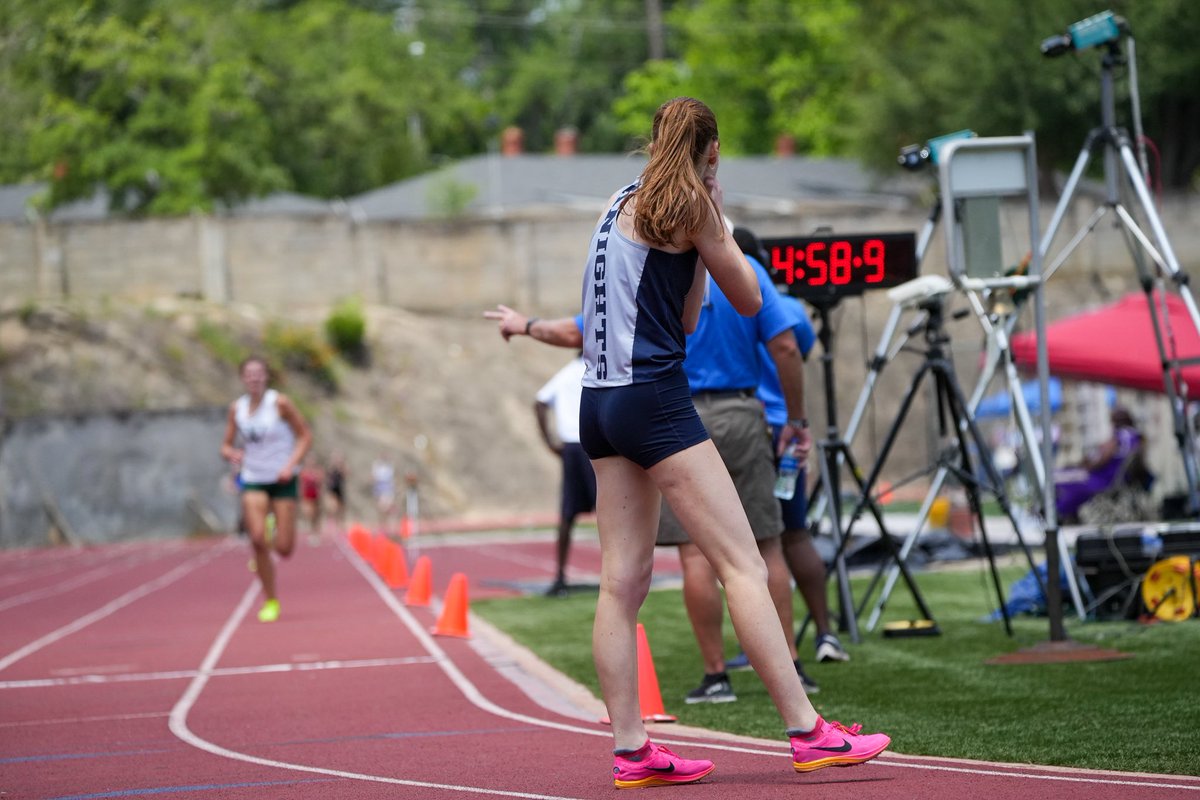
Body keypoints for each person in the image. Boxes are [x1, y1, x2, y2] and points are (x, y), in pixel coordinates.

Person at [576, 97, 889, 787]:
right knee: (743, 563)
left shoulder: (618, 199)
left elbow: (687, 316)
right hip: (653, 398)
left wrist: (700, 241)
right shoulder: (694, 207)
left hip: (597, 403)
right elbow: (748, 300)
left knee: (619, 582)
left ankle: (632, 749)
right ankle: (809, 732)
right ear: (711, 152)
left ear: (654, 142)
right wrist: (719, 209)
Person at [727, 226, 849, 667]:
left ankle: (765, 646)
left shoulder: (718, 298)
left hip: (750, 428)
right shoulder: (792, 308)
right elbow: (800, 350)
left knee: (754, 545)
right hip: (787, 432)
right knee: (795, 534)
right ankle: (825, 633)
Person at [221, 356, 312, 623]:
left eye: (259, 374)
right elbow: (225, 445)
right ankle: (271, 600)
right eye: (249, 374)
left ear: (266, 377)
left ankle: (274, 529)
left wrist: (290, 465)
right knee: (257, 539)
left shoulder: (280, 403)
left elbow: (305, 436)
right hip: (254, 478)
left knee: (284, 549)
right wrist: (231, 454)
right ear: (242, 378)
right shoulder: (236, 409)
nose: (254, 379)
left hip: (283, 479)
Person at [534, 354, 597, 597]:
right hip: (593, 445)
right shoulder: (595, 369)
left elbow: (539, 401)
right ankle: (614, 575)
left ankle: (560, 576)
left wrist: (549, 442)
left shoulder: (565, 373)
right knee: (609, 513)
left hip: (571, 447)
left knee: (567, 514)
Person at [1055, 406, 1152, 522]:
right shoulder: (1137, 437)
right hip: (1121, 480)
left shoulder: (1120, 436)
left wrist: (1085, 466)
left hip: (1104, 480)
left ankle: (1061, 513)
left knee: (1064, 481)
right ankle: (1067, 514)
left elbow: (1102, 459)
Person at [299, 454, 324, 544]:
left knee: (315, 515)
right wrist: (301, 496)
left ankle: (315, 533)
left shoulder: (318, 471)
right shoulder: (303, 471)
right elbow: (301, 484)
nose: (311, 462)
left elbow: (320, 484)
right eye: (309, 460)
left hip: (315, 496)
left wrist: (321, 494)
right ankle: (311, 532)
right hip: (307, 496)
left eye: (312, 460)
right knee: (308, 513)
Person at [372, 455, 397, 532]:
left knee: (388, 509)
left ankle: (389, 528)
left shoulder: (389, 467)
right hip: (381, 491)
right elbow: (375, 479)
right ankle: (382, 527)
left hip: (388, 491)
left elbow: (391, 480)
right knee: (382, 509)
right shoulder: (378, 467)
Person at [325, 452, 347, 535]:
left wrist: (341, 467)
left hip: (340, 489)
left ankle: (339, 523)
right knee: (333, 506)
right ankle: (331, 520)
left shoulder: (342, 467)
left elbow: (346, 475)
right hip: (332, 490)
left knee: (341, 508)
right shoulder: (331, 467)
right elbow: (328, 477)